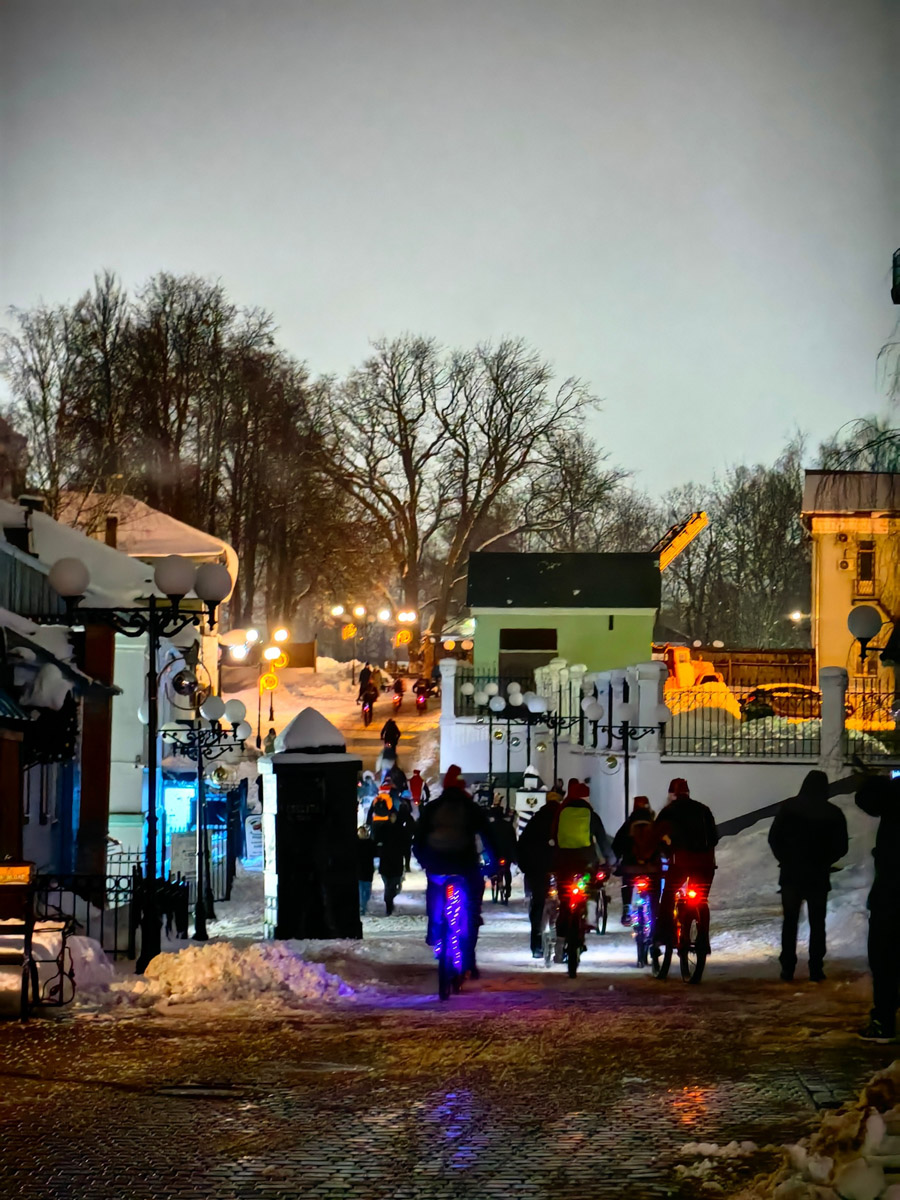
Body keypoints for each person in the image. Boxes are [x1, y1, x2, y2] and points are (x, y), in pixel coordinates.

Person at [413, 766, 498, 977]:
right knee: (471, 909)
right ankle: (468, 958)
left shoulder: (433, 807)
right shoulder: (471, 808)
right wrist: (495, 863)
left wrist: (424, 861)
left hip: (437, 866)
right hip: (464, 867)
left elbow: (418, 839)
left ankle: (434, 930)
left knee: (434, 893)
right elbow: (489, 837)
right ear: (462, 785)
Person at [768, 769, 849, 983]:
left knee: (790, 922)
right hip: (818, 876)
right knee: (817, 923)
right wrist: (825, 860)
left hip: (791, 875)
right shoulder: (833, 812)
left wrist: (785, 858)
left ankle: (787, 968)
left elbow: (774, 838)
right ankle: (816, 968)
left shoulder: (788, 807)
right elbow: (841, 846)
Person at [855, 769, 900, 1041]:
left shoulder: (893, 798)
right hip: (890, 894)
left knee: (884, 959)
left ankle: (883, 1021)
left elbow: (870, 800)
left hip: (892, 897)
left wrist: (873, 781)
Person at [655, 778, 718, 947]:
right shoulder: (704, 810)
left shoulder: (668, 812)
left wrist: (665, 851)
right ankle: (703, 938)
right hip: (705, 864)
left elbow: (656, 836)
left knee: (668, 895)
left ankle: (665, 936)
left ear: (672, 794)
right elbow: (714, 838)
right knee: (701, 899)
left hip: (680, 863)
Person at [517, 789, 563, 958]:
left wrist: (525, 867)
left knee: (538, 904)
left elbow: (522, 845)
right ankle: (565, 940)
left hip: (538, 870)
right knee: (566, 901)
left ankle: (536, 944)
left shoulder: (536, 820)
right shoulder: (563, 820)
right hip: (561, 868)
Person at [612, 795, 662, 927]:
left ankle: (627, 908)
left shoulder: (628, 825)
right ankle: (657, 914)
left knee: (627, 883)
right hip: (652, 868)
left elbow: (617, 844)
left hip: (630, 867)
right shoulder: (654, 824)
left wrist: (615, 861)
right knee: (655, 889)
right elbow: (662, 844)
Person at [487, 798, 517, 903]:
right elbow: (513, 841)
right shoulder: (508, 826)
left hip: (495, 853)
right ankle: (507, 888)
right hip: (506, 853)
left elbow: (487, 841)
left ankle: (494, 882)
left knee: (494, 870)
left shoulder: (490, 827)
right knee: (507, 870)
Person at [377, 812, 406, 915]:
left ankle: (389, 903)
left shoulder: (399, 829)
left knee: (392, 886)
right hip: (387, 862)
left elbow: (405, 844)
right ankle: (388, 906)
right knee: (388, 886)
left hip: (395, 862)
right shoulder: (384, 828)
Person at [357, 826, 377, 917]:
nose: (361, 833)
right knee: (361, 890)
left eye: (362, 832)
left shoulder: (370, 843)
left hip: (368, 870)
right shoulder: (355, 843)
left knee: (367, 891)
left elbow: (375, 853)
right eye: (360, 832)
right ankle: (362, 908)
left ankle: (363, 906)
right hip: (359, 870)